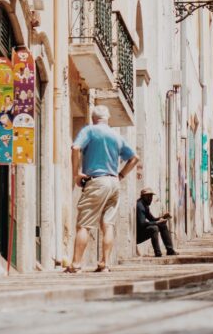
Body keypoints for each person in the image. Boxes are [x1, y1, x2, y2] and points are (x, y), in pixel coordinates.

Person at [68, 105, 139, 273]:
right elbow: (135, 158)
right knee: (108, 224)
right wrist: (121, 175)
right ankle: (105, 264)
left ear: (93, 118)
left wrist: (76, 174)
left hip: (97, 181)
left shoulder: (90, 131)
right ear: (107, 119)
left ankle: (76, 265)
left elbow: (76, 148)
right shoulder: (117, 135)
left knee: (83, 225)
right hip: (114, 182)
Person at [136, 188, 177, 257]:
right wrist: (157, 222)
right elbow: (142, 223)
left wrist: (163, 217)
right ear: (143, 196)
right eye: (148, 196)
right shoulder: (140, 206)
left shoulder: (145, 205)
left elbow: (152, 219)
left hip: (142, 231)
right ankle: (158, 253)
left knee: (162, 225)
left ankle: (170, 250)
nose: (150, 198)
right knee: (154, 228)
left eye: (151, 196)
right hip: (138, 236)